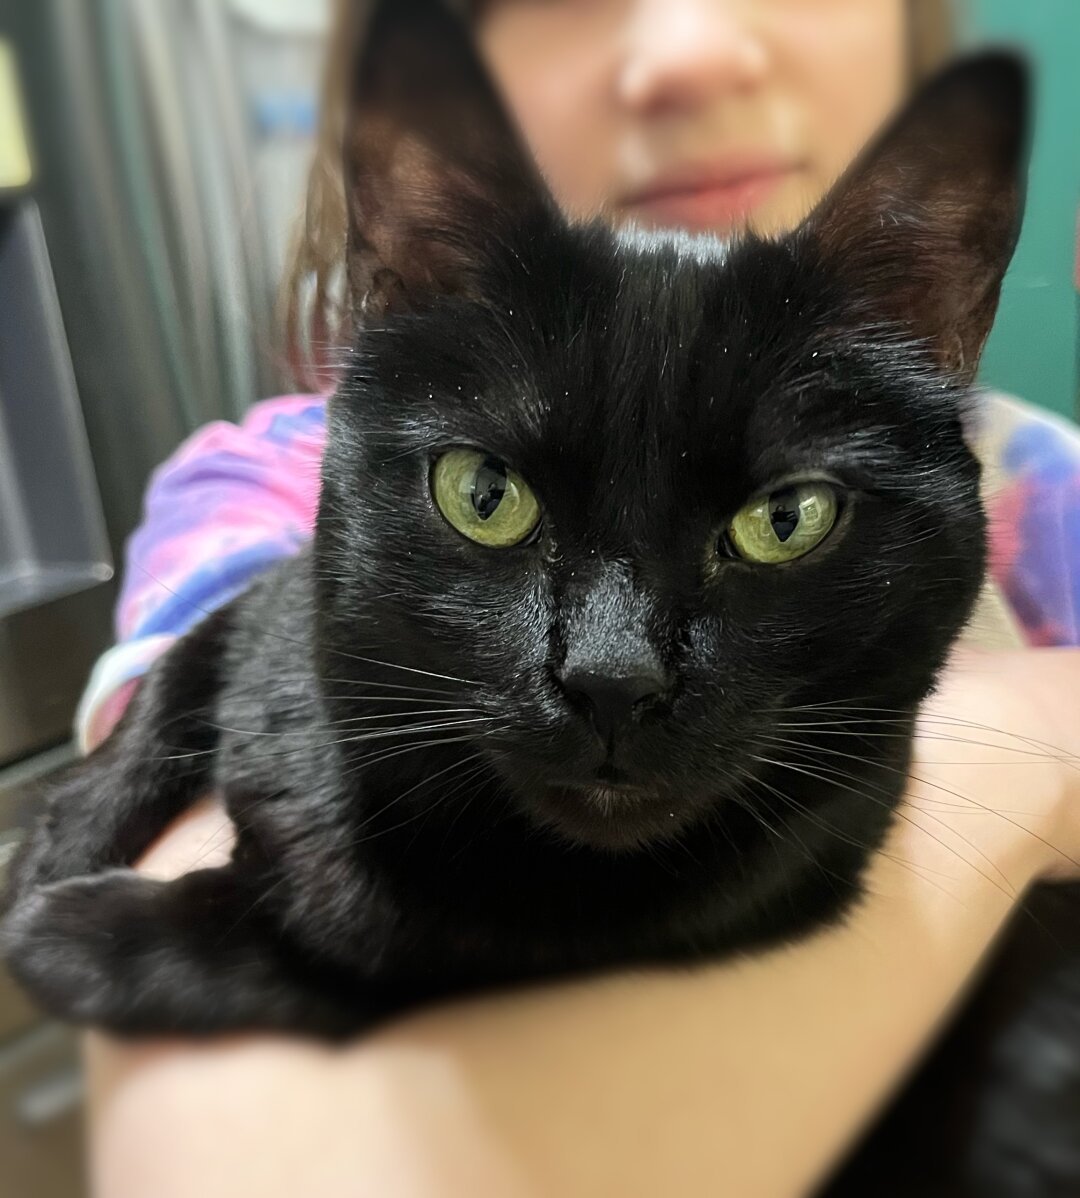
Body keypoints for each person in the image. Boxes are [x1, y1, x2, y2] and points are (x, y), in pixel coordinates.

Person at [81, 2, 1080, 1195]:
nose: (690, 50)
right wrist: (1033, 743)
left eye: (785, 521)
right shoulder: (258, 497)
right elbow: (284, 1161)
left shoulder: (1047, 488)